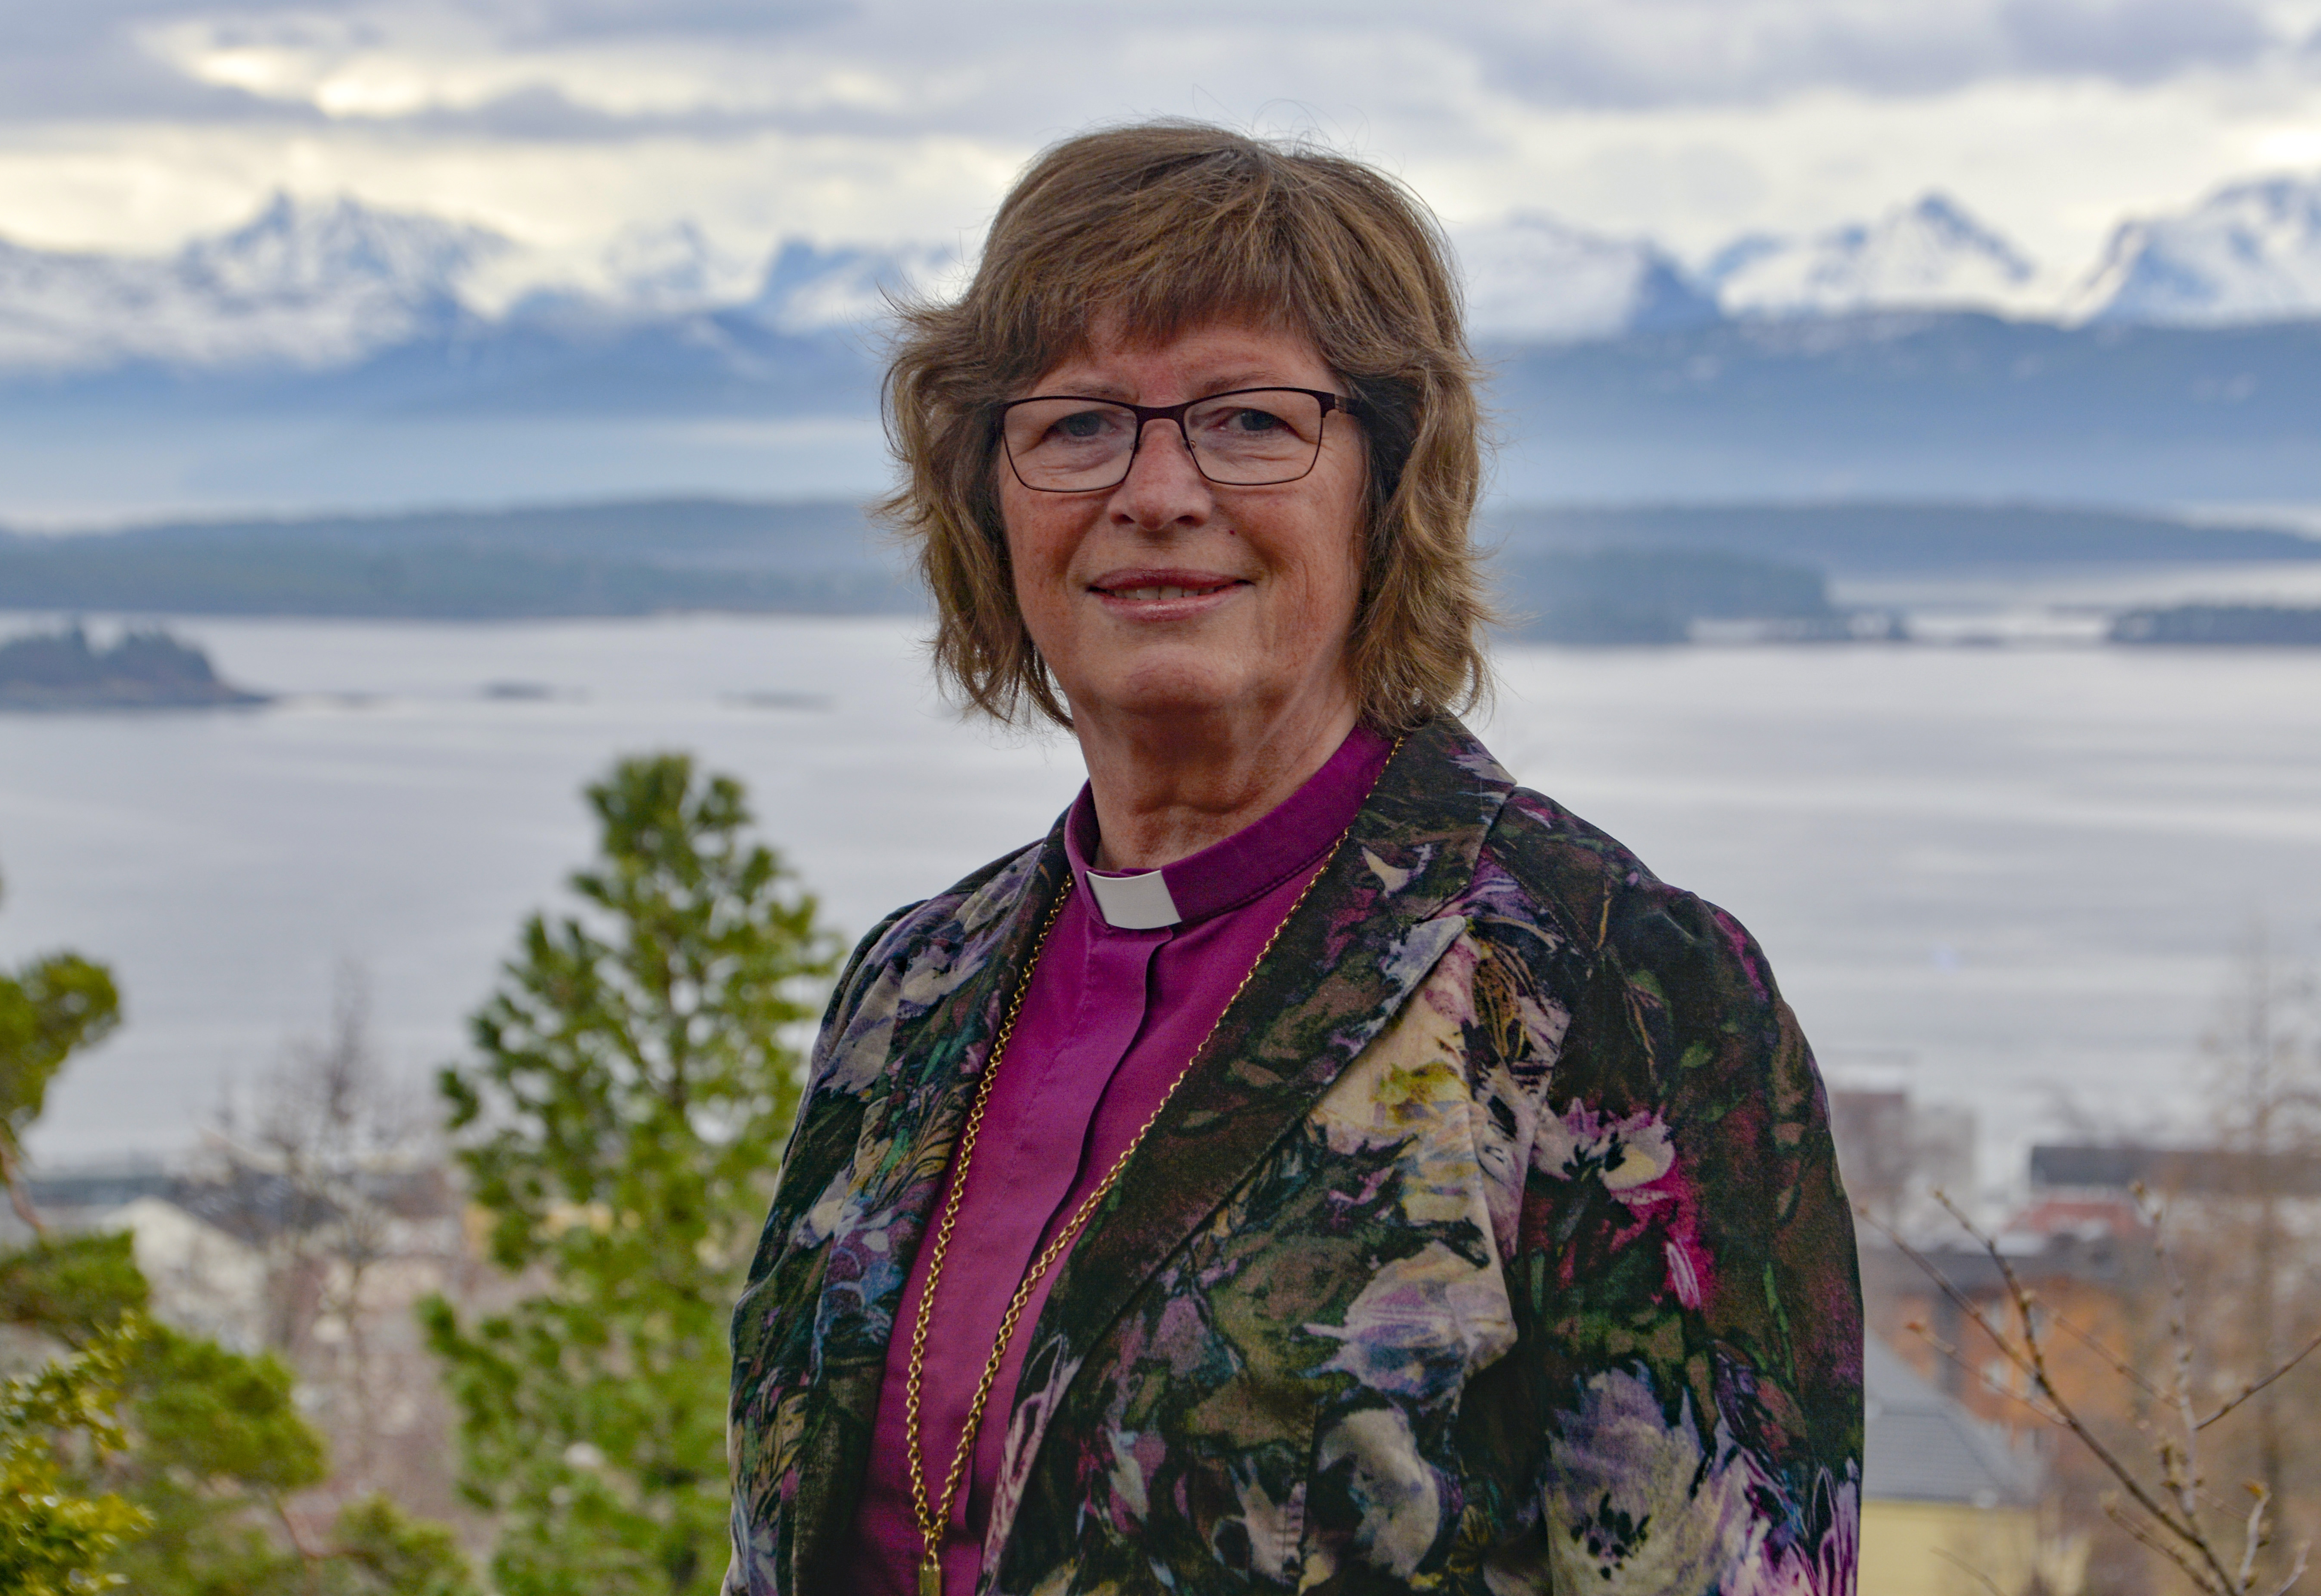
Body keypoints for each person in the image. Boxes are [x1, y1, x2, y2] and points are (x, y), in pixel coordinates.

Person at [725, 121, 1862, 1596]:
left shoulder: (1614, 993)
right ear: (988, 504)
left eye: (1249, 421)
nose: (1155, 491)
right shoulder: (912, 990)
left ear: (1385, 492)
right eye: (1076, 424)